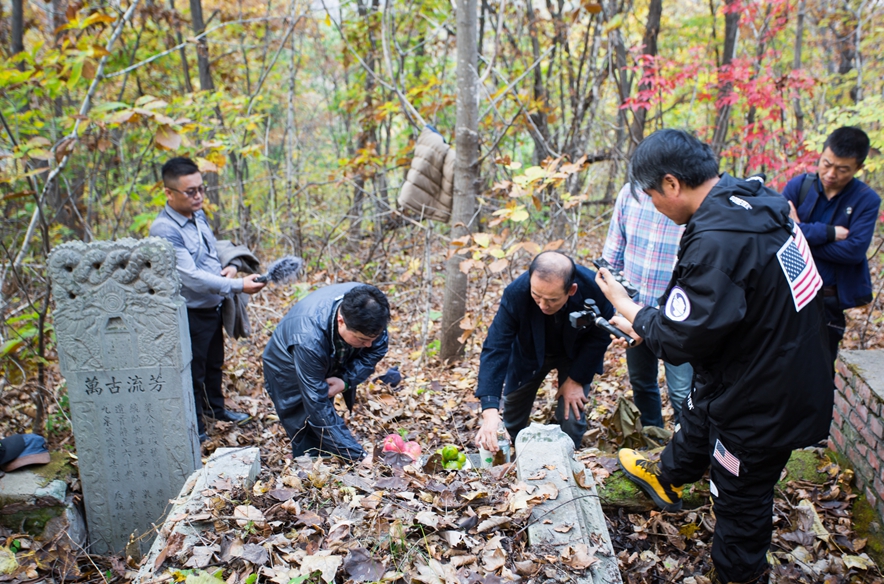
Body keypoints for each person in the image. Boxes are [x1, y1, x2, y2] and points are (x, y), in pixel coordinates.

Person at [596, 129, 833, 584]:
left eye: (651, 196)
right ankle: (668, 474)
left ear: (671, 184)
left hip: (765, 397)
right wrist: (653, 321)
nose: (653, 207)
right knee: (701, 410)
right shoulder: (753, 199)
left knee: (739, 499)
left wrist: (630, 309)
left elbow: (680, 340)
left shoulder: (718, 241)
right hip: (755, 363)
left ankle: (738, 575)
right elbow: (712, 317)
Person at [150, 157, 265, 443]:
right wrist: (237, 285)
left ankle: (217, 410)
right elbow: (190, 276)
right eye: (190, 191)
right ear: (169, 193)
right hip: (189, 312)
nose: (199, 196)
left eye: (201, 189)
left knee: (214, 364)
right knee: (193, 371)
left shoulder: (197, 215)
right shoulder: (165, 229)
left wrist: (231, 267)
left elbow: (209, 254)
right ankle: (196, 426)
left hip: (212, 306)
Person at [473, 251, 613, 452]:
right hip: (529, 353)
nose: (542, 305)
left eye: (552, 299)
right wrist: (489, 409)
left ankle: (568, 456)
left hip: (576, 354)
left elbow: (601, 336)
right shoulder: (516, 293)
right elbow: (496, 346)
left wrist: (576, 379)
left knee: (572, 416)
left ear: (571, 290)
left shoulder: (595, 289)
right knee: (511, 416)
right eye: (536, 296)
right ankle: (510, 457)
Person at [781, 127, 881, 369]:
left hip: (828, 300)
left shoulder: (866, 200)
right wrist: (829, 233)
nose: (830, 174)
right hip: (786, 294)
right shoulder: (798, 187)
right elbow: (777, 234)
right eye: (826, 164)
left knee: (820, 367)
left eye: (842, 169)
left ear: (858, 167)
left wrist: (800, 234)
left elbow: (853, 252)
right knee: (780, 365)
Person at [262, 283, 390, 461]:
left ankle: (336, 448)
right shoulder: (308, 338)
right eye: (362, 339)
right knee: (305, 421)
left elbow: (376, 349)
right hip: (285, 364)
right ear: (341, 321)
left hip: (327, 351)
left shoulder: (371, 309)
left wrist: (345, 380)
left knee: (324, 420)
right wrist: (359, 456)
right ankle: (310, 460)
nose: (369, 344)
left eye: (372, 338)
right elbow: (317, 404)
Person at [602, 183, 693, 428]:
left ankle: (690, 445)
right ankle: (653, 439)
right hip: (633, 312)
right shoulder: (629, 193)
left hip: (677, 318)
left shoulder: (685, 198)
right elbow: (611, 259)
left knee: (683, 391)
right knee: (642, 382)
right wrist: (621, 310)